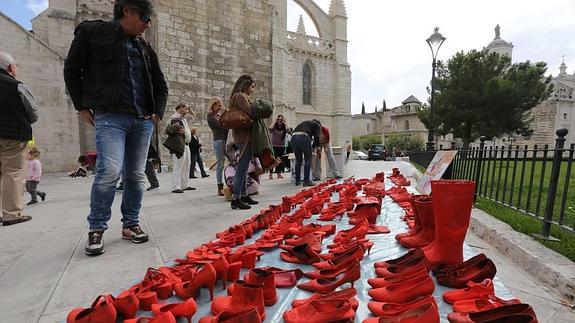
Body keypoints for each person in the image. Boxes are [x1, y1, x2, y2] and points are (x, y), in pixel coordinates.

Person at [63, 0, 168, 255]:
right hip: (111, 117)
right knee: (108, 172)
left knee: (135, 175)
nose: (147, 23)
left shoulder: (144, 45)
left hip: (142, 119)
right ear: (127, 11)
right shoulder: (92, 32)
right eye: (143, 17)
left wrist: (157, 113)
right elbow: (71, 69)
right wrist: (81, 106)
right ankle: (97, 227)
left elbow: (159, 81)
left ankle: (130, 224)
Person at [0, 51, 38, 226]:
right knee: (13, 173)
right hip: (12, 136)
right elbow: (33, 113)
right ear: (10, 67)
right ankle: (12, 214)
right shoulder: (16, 86)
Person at [228, 75, 259, 210]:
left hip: (242, 135)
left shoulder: (238, 96)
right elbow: (250, 111)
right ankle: (236, 199)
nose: (253, 90)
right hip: (243, 137)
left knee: (244, 166)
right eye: (252, 86)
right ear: (246, 85)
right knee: (242, 168)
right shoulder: (240, 96)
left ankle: (244, 195)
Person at [168, 103, 194, 193]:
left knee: (187, 164)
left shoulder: (183, 118)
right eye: (185, 108)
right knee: (178, 165)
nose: (187, 111)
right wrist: (176, 130)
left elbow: (194, 117)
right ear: (180, 108)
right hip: (178, 145)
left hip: (186, 144)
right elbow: (169, 131)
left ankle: (184, 185)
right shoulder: (174, 118)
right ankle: (175, 186)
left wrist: (190, 111)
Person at [207, 96, 228, 196]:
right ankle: (220, 187)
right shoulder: (210, 116)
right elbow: (221, 125)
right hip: (219, 141)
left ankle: (231, 183)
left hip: (226, 140)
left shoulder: (219, 115)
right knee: (220, 164)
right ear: (213, 104)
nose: (220, 107)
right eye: (218, 105)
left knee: (233, 161)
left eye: (221, 105)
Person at [291, 119, 322, 186]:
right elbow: (316, 136)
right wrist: (318, 147)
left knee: (298, 160)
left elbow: (310, 137)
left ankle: (297, 181)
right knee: (308, 159)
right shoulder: (317, 126)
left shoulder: (305, 123)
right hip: (303, 137)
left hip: (294, 137)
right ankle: (306, 181)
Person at [268, 115, 288, 179]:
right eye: (279, 119)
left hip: (282, 146)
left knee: (280, 160)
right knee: (273, 159)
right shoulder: (274, 126)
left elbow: (288, 130)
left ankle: (279, 173)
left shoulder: (284, 127)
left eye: (281, 119)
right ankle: (270, 173)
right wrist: (274, 121)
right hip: (274, 145)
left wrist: (285, 122)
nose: (280, 120)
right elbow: (270, 128)